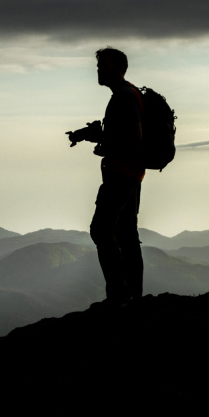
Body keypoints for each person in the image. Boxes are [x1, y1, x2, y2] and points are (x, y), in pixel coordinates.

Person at [67, 47, 145, 305]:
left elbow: (134, 135)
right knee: (126, 233)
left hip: (121, 174)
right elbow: (125, 135)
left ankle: (120, 295)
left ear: (119, 68)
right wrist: (96, 137)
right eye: (99, 66)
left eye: (104, 66)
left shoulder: (123, 95)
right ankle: (133, 295)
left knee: (101, 230)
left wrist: (102, 139)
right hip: (132, 173)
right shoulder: (127, 93)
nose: (99, 70)